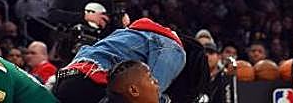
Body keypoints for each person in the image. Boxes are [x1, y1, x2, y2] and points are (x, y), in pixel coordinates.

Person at [53, 18, 200, 103]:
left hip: (67, 76)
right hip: (94, 84)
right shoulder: (175, 49)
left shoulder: (131, 33)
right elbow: (151, 98)